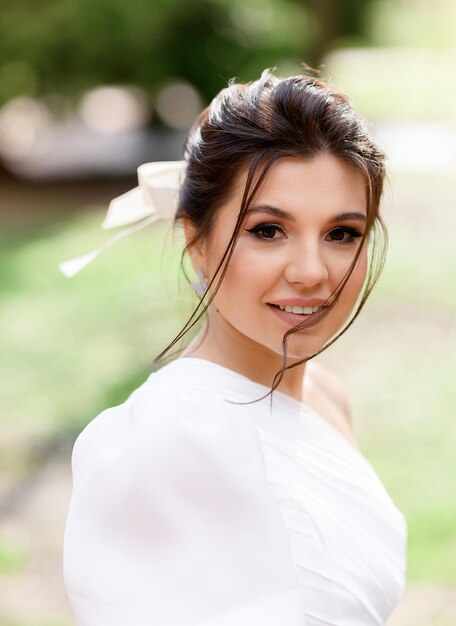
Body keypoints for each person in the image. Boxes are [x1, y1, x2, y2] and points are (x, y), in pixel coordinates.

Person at [61, 68, 407, 626]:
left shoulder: (328, 399)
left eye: (342, 233)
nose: (313, 272)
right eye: (268, 230)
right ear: (196, 241)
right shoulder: (165, 438)